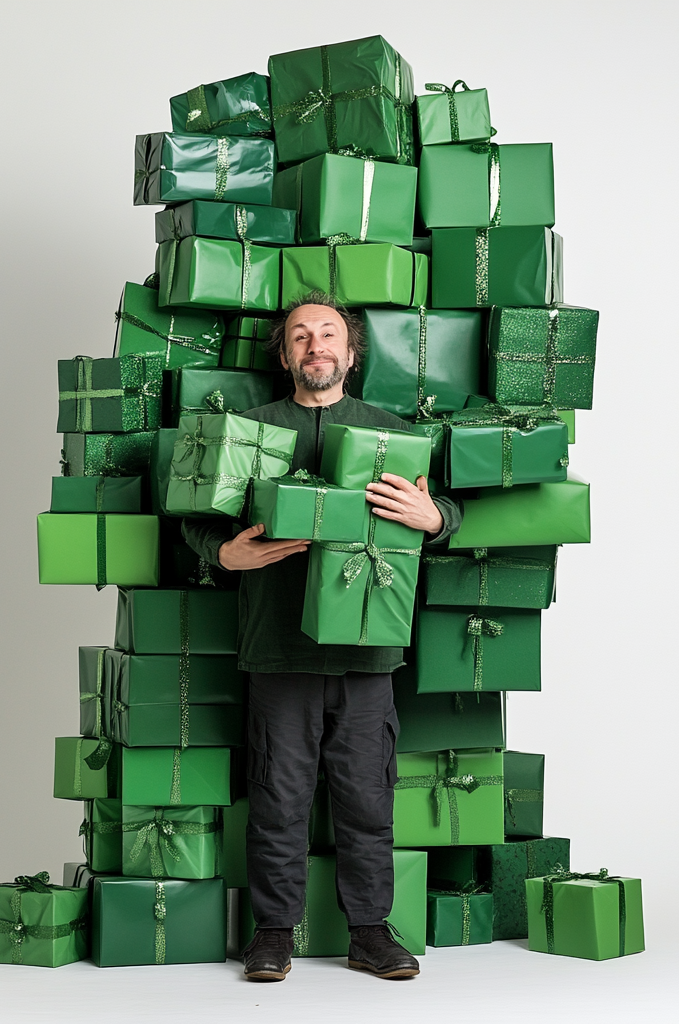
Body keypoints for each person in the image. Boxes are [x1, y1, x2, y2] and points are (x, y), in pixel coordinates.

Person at [183, 292, 463, 981]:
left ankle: (370, 932)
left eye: (329, 334)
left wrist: (436, 518)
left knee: (368, 797)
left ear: (351, 351)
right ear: (285, 355)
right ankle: (273, 933)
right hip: (279, 646)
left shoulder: (392, 432)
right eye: (301, 336)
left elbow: (448, 510)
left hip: (369, 653)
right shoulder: (250, 429)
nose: (317, 346)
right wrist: (223, 556)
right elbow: (192, 517)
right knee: (278, 796)